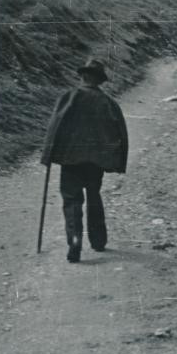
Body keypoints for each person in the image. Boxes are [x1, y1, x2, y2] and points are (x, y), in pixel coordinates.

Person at [41, 59, 128, 262]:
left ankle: (75, 243)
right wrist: (115, 160)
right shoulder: (108, 103)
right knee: (94, 196)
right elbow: (120, 133)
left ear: (83, 76)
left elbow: (54, 127)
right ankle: (98, 241)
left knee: (72, 201)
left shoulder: (69, 97)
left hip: (70, 159)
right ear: (100, 80)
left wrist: (48, 154)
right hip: (96, 162)